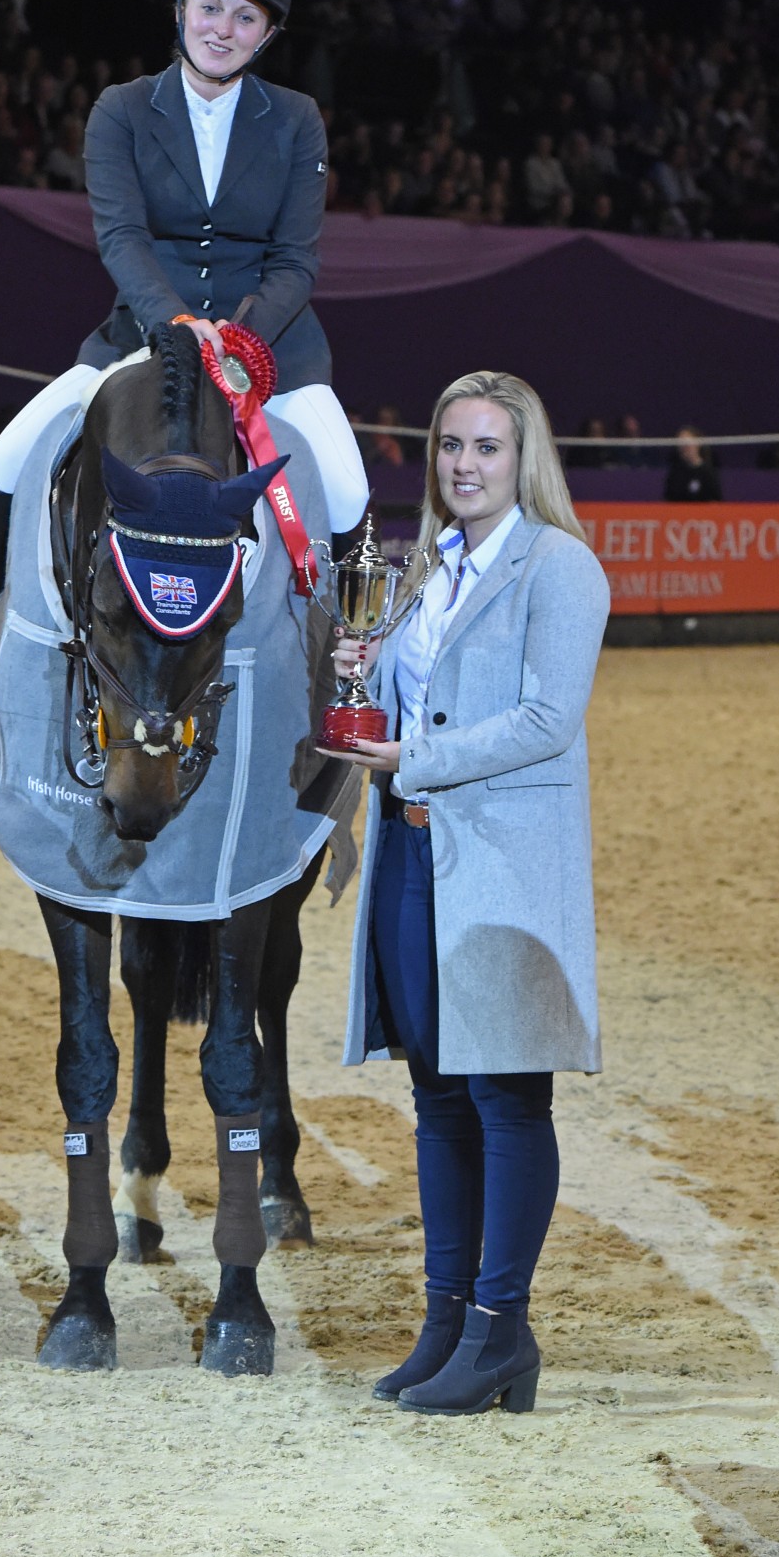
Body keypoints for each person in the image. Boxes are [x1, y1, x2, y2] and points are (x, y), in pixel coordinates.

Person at [331, 371, 610, 1415]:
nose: (463, 464)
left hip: (501, 862)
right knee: (437, 1097)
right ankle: (445, 1319)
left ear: (523, 456)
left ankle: (502, 1328)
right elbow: (406, 697)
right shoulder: (418, 572)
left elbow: (548, 718)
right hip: (411, 857)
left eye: (486, 447)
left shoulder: (560, 567)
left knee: (504, 1095)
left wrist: (414, 752)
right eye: (450, 444)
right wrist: (360, 674)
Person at [0, 0, 370, 625]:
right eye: (211, 7)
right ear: (181, 8)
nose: (223, 29)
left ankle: (346, 665)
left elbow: (296, 259)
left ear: (267, 35)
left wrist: (237, 339)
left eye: (246, 17)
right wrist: (180, 325)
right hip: (143, 335)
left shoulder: (297, 120)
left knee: (346, 490)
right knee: (5, 460)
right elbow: (120, 237)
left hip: (271, 353)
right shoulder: (120, 110)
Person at [663, 426, 722, 501]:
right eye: (680, 445)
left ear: (698, 444)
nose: (683, 448)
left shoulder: (708, 472)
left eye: (687, 445)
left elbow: (715, 500)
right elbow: (668, 499)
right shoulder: (675, 473)